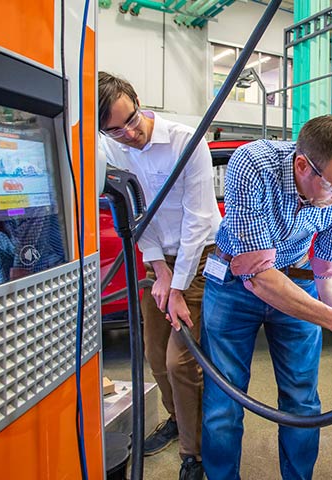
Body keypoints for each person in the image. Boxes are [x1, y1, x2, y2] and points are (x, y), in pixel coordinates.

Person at [200, 115, 332, 480]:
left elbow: (331, 273)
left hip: (296, 281)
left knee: (302, 400)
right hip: (234, 286)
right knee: (223, 404)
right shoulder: (253, 164)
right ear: (302, 165)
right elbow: (258, 276)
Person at [98, 71, 219, 480]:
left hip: (199, 258)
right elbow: (136, 215)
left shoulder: (187, 141)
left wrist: (179, 284)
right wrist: (160, 270)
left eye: (131, 119)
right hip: (160, 263)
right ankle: (177, 419)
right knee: (154, 355)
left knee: (180, 361)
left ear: (137, 100)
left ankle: (195, 452)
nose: (129, 133)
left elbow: (199, 220)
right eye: (115, 131)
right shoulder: (115, 152)